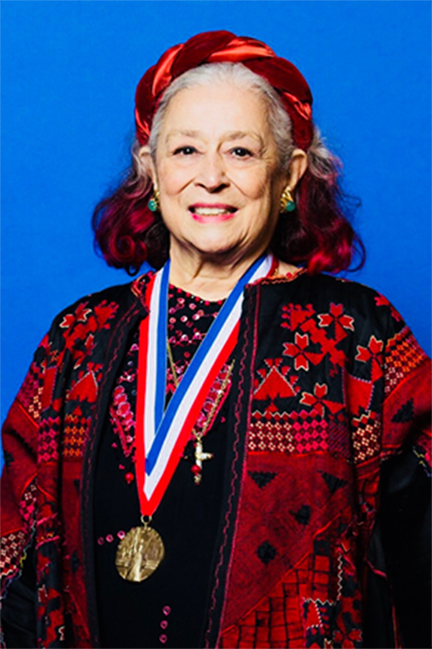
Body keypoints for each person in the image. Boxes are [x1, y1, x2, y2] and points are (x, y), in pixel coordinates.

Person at [1, 30, 430, 649]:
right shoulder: (78, 337)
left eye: (241, 152)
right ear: (149, 172)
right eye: (185, 151)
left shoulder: (357, 334)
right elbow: (18, 552)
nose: (211, 178)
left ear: (289, 174)